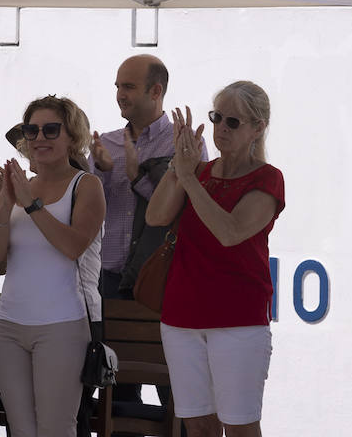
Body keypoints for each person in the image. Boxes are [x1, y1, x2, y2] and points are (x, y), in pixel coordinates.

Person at [146, 81, 285, 437]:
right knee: (198, 427)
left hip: (237, 320)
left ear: (258, 128)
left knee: (240, 427)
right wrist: (179, 167)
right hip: (181, 317)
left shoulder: (268, 179)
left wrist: (189, 177)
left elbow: (230, 232)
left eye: (233, 121)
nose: (221, 127)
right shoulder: (198, 172)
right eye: (217, 117)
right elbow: (156, 216)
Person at [0, 96, 106, 437]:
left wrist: (31, 204)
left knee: (55, 429)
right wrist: (4, 203)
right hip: (9, 327)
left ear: (72, 136)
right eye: (31, 130)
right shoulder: (20, 188)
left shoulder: (86, 185)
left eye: (51, 129)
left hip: (61, 326)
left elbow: (72, 246)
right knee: (21, 430)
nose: (39, 138)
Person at [90, 54, 206, 299]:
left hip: (160, 277)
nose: (120, 95)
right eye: (117, 86)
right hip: (106, 277)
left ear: (156, 91)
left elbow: (188, 212)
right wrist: (101, 170)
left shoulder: (184, 144)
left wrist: (138, 179)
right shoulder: (106, 144)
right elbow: (87, 212)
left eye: (128, 87)